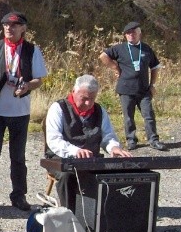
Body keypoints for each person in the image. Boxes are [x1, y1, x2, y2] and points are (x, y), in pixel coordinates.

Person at [0, 11, 48, 211]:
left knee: (18, 156)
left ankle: (19, 196)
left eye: (14, 25)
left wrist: (27, 87)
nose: (9, 28)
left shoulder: (32, 50)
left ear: (23, 28)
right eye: (6, 24)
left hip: (19, 110)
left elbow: (39, 80)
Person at [44, 75, 132, 210]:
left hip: (91, 160)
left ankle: (102, 212)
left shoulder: (99, 111)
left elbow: (108, 135)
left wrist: (113, 147)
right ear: (74, 91)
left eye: (92, 99)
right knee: (67, 175)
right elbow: (54, 140)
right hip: (60, 158)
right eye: (84, 99)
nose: (88, 103)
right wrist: (75, 151)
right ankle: (69, 213)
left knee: (114, 174)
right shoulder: (58, 108)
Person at [99, 21, 168, 151]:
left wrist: (152, 84)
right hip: (126, 89)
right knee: (128, 117)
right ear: (125, 36)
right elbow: (103, 56)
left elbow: (155, 67)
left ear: (139, 33)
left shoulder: (146, 49)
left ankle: (153, 140)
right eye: (128, 33)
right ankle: (131, 140)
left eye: (134, 32)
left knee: (149, 115)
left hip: (144, 89)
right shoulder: (119, 48)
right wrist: (115, 68)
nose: (131, 35)